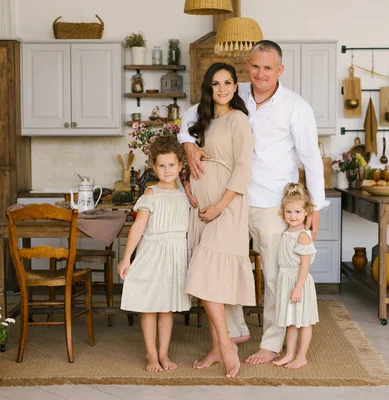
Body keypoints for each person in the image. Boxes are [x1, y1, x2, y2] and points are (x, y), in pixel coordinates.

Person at [178, 40, 330, 365]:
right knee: (222, 266)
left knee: (276, 276)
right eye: (256, 66)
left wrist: (315, 206)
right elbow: (189, 118)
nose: (260, 74)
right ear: (248, 65)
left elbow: (311, 158)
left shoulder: (295, 106)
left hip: (271, 202)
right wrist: (189, 146)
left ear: (280, 70)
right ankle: (231, 334)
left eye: (268, 68)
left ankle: (271, 344)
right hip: (229, 200)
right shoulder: (233, 92)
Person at [184, 62, 255, 378]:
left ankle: (226, 345)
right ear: (208, 88)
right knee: (208, 280)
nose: (223, 88)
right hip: (201, 208)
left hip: (226, 208)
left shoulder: (238, 120)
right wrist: (188, 182)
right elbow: (194, 158)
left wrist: (220, 206)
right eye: (216, 83)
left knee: (205, 271)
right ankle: (216, 347)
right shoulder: (204, 120)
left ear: (236, 86)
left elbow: (243, 168)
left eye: (228, 82)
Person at [117, 135, 191, 373]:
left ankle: (164, 353)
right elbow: (138, 227)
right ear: (153, 167)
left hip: (175, 254)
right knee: (149, 305)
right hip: (153, 252)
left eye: (171, 165)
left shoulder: (185, 194)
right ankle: (151, 355)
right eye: (161, 165)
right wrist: (126, 257)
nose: (167, 170)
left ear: (181, 165)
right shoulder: (150, 193)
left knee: (167, 307)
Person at [272, 183, 319, 369]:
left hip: (298, 282)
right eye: (289, 212)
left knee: (304, 321)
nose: (292, 216)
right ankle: (289, 353)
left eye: (297, 212)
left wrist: (298, 287)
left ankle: (301, 356)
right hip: (286, 280)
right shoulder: (287, 232)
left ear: (307, 212)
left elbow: (305, 265)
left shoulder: (302, 236)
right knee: (290, 321)